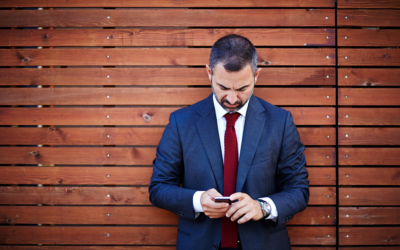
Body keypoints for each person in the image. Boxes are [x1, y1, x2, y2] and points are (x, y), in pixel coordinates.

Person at [149, 34, 309, 250]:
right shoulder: (181, 122)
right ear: (209, 73)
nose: (232, 99)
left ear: (256, 75)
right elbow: (159, 188)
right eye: (223, 87)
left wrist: (262, 207)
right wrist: (198, 201)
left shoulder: (280, 122)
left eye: (242, 89)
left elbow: (298, 189)